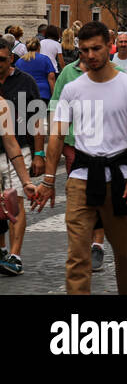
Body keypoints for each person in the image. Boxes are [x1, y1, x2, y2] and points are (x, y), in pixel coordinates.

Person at [34, 21, 127, 294]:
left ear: (108, 47)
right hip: (81, 178)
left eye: (96, 48)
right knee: (77, 256)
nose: (90, 55)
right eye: (84, 50)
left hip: (120, 178)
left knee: (126, 255)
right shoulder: (73, 88)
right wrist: (49, 180)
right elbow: (57, 135)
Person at [0, 42, 43, 276]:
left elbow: (36, 120)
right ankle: (3, 249)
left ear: (11, 60)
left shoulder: (25, 82)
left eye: (2, 60)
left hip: (19, 148)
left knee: (14, 202)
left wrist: (39, 154)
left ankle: (15, 255)